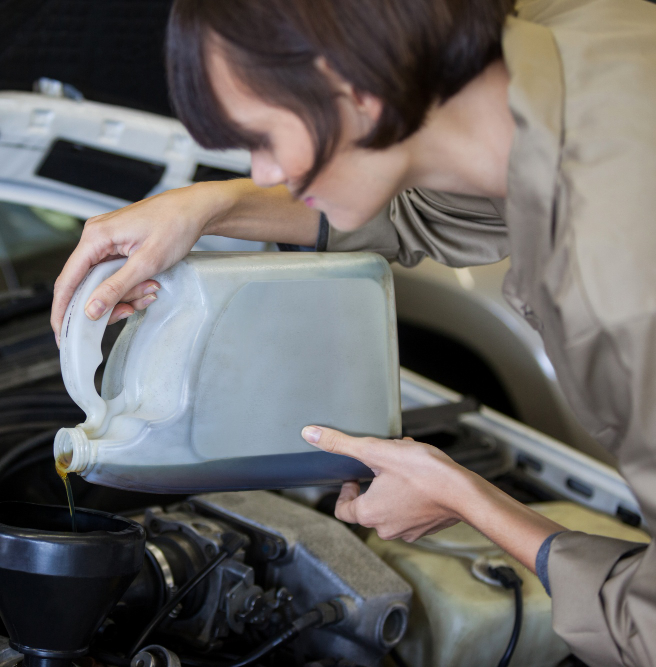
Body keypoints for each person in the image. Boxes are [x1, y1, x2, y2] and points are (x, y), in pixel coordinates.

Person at [49, 0, 656, 663]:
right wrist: (208, 206)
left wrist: (468, 499)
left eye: (262, 138)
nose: (261, 173)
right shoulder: (582, 28)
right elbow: (425, 197)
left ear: (355, 87)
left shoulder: (617, 292)